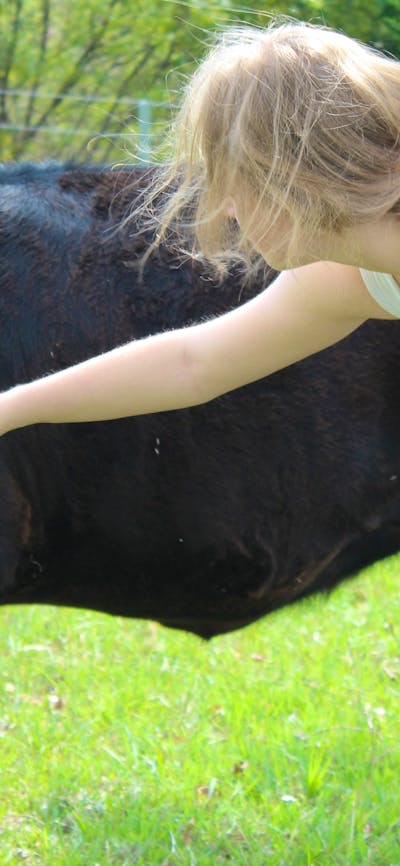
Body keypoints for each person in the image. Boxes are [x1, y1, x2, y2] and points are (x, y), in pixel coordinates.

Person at [1, 18, 400, 436]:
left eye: (231, 181)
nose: (227, 210)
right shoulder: (346, 276)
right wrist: (9, 409)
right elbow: (192, 363)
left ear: (289, 178)